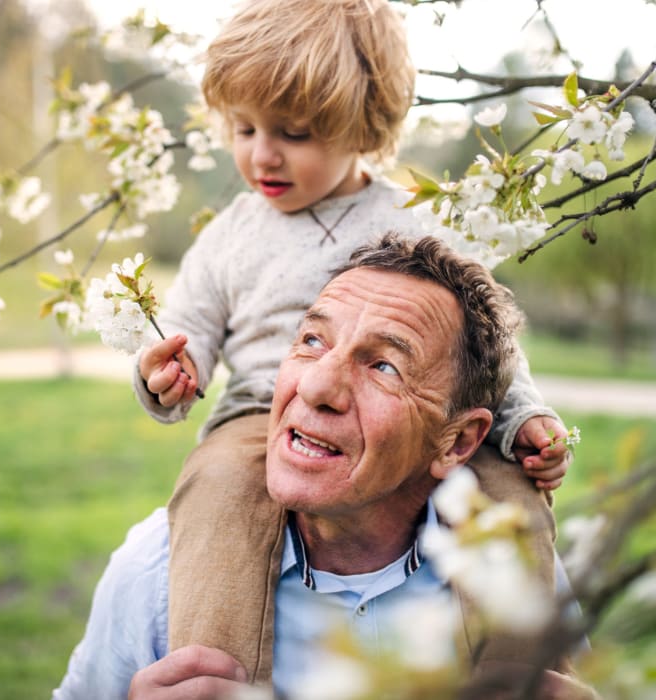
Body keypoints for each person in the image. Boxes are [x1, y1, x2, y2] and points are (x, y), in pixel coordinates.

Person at [133, 0, 571, 683]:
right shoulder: (230, 236)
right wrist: (165, 374)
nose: (262, 154)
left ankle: (525, 679)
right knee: (216, 490)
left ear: (363, 126)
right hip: (260, 416)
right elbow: (182, 335)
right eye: (243, 128)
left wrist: (524, 419)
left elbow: (486, 342)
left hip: (413, 417)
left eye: (295, 133)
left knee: (512, 496)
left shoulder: (413, 218)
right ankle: (215, 679)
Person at [55, 234, 595, 700]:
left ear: (458, 442)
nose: (314, 388)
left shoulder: (514, 578)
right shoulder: (159, 568)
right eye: (312, 340)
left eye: (384, 365)